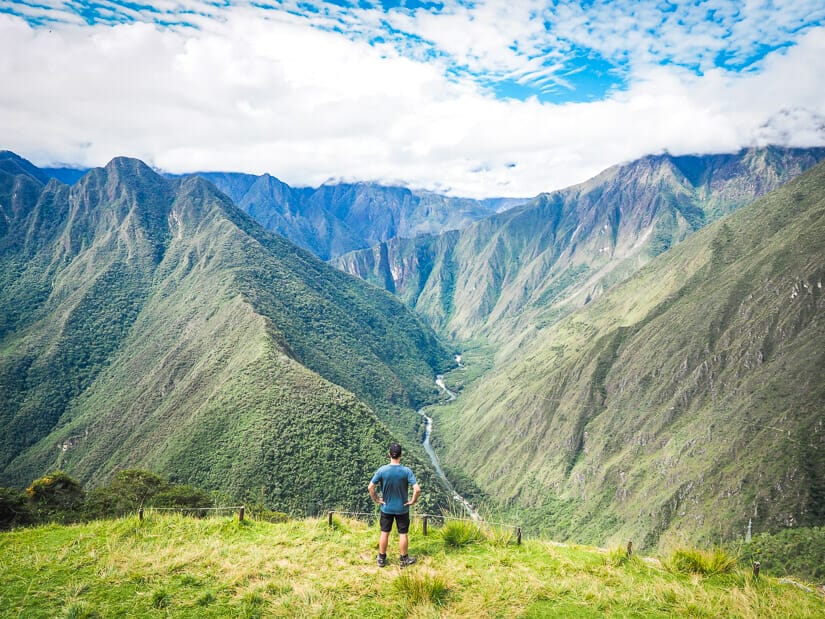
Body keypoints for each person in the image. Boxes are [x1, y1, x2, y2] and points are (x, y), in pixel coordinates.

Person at [368, 442, 421, 567]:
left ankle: (381, 558)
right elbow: (417, 489)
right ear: (401, 455)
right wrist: (412, 501)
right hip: (402, 508)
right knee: (403, 534)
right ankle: (404, 559)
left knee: (384, 532)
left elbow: (370, 487)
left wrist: (377, 499)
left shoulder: (382, 470)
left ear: (389, 454)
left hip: (386, 508)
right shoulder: (406, 471)